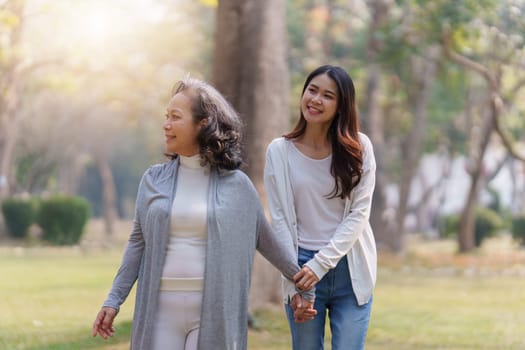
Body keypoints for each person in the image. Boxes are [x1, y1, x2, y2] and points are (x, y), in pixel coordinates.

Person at [92, 77, 316, 350]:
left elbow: (266, 240)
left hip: (213, 314)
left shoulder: (237, 186)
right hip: (161, 311)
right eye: (166, 116)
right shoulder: (152, 180)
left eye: (175, 117)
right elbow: (137, 243)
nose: (166, 125)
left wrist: (302, 284)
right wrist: (113, 300)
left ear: (203, 123)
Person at [264, 65, 377, 350]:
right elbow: (280, 222)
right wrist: (295, 284)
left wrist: (320, 264)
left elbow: (358, 215)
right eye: (312, 90)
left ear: (341, 107)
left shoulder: (359, 148)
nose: (315, 100)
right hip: (299, 268)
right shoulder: (279, 151)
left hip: (350, 270)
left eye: (328, 96)